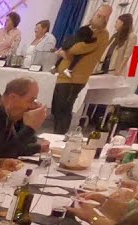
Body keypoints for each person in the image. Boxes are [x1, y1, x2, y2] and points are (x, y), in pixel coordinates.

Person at [51, 5, 111, 133]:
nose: (100, 18)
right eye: (98, 15)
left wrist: (66, 51)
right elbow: (72, 43)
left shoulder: (102, 35)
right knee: (57, 108)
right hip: (64, 76)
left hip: (75, 78)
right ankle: (55, 134)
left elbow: (77, 49)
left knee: (64, 109)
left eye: (103, 17)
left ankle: (59, 137)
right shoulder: (87, 29)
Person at [0, 77, 48, 159]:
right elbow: (1, 156)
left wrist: (27, 123)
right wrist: (30, 128)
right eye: (31, 101)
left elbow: (19, 146)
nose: (32, 106)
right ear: (13, 98)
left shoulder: (10, 114)